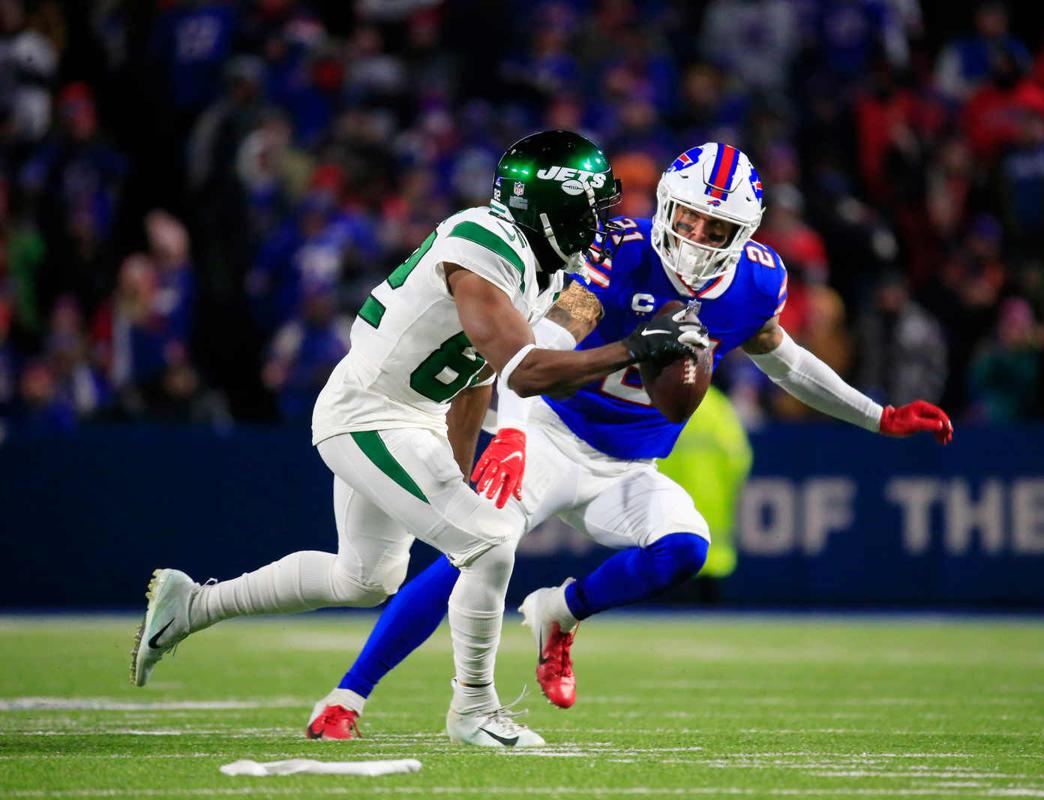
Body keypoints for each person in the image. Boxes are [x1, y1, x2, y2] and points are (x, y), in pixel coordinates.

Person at [303, 143, 954, 740]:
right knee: (471, 550)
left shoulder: (757, 282)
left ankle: (560, 613)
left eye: (715, 227)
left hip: (630, 462)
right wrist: (514, 436)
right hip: (555, 433)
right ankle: (347, 696)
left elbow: (786, 362)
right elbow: (538, 349)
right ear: (667, 206)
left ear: (743, 235)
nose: (696, 237)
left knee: (685, 549)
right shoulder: (619, 248)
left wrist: (880, 416)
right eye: (688, 218)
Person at [129, 130, 709, 750]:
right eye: (590, 208)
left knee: (364, 581)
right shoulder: (485, 240)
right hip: (371, 413)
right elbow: (526, 369)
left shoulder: (538, 274)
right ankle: (473, 710)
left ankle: (191, 606)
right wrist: (634, 347)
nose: (599, 225)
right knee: (489, 542)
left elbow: (476, 380)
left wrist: (463, 467)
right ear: (549, 206)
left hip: (418, 417)